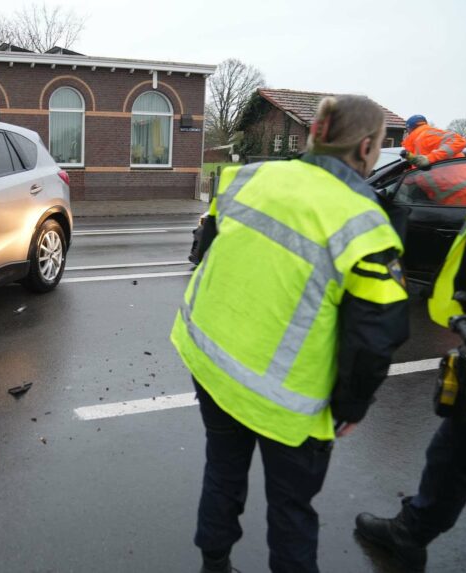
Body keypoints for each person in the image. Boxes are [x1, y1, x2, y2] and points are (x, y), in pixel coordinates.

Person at [170, 95, 410, 573]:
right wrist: (351, 406)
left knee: (222, 472)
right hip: (288, 401)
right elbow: (375, 334)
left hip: (212, 364)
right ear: (366, 148)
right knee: (292, 509)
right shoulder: (364, 221)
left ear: (316, 132)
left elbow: (208, 251)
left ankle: (214, 565)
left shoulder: (249, 176)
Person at [354, 47, 466, 572]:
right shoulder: (457, 146)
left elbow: (415, 171)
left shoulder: (418, 144)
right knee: (455, 445)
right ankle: (411, 531)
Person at [402, 115, 466, 206]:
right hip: (456, 197)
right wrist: (405, 178)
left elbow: (458, 140)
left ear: (409, 129)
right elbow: (425, 171)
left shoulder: (426, 134)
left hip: (464, 196)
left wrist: (430, 158)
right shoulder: (416, 144)